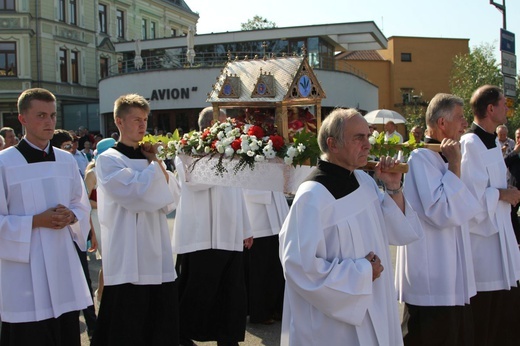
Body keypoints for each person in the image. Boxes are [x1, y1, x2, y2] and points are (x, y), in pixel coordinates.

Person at [279, 108, 423, 346]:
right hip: (336, 323)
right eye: (359, 138)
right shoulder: (313, 196)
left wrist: (394, 187)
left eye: (368, 136)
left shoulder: (363, 181)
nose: (368, 145)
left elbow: (392, 228)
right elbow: (298, 266)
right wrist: (363, 272)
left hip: (375, 301)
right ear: (332, 144)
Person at [0, 88, 91, 345]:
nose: (49, 122)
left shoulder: (66, 160)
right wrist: (35, 221)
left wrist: (72, 216)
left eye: (52, 115)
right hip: (24, 273)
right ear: (22, 119)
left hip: (62, 266)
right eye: (41, 115)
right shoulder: (4, 163)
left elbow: (80, 203)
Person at [92, 94, 181, 345]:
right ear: (119, 121)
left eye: (145, 120)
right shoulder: (108, 159)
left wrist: (154, 160)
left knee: (157, 325)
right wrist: (155, 165)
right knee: (126, 326)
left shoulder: (150, 158)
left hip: (155, 249)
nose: (143, 126)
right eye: (136, 120)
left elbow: (170, 195)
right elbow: (136, 194)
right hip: (127, 253)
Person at [396, 93, 481, 345]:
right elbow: (442, 212)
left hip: (451, 272)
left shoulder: (446, 155)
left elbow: (467, 206)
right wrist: (455, 166)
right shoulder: (420, 158)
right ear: (442, 123)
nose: (464, 124)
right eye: (460, 118)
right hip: (432, 275)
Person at [173, 106, 253, 346]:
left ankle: (228, 339)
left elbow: (238, 193)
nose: (230, 128)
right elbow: (195, 182)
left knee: (231, 296)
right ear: (210, 126)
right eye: (225, 123)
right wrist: (222, 156)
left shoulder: (231, 153)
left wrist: (246, 229)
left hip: (229, 235)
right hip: (201, 238)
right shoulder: (186, 149)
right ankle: (180, 336)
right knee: (197, 296)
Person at [460, 85, 520, 345]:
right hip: (483, 243)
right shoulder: (470, 142)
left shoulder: (492, 140)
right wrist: (503, 195)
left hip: (501, 236)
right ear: (490, 109)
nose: (507, 108)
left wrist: (505, 193)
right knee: (484, 315)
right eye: (503, 104)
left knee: (501, 313)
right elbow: (469, 197)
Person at [50, 128, 99, 341]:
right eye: (67, 146)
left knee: (83, 282)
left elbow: (81, 203)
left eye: (73, 146)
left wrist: (90, 231)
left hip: (74, 234)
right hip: (51, 239)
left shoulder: (69, 164)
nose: (73, 150)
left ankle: (93, 326)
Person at [242, 189, 289, 324]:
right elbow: (243, 188)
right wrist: (270, 187)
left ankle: (278, 309)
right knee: (260, 269)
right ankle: (260, 312)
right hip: (258, 219)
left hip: (278, 216)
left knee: (277, 267)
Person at [84, 137, 116, 306]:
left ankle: (106, 295)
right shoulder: (92, 173)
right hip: (98, 218)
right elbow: (83, 201)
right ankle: (102, 295)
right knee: (108, 259)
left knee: (114, 258)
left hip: (114, 217)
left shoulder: (117, 169)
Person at [505, 128, 520, 245]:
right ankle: (516, 239)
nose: (519, 139)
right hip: (515, 188)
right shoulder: (512, 150)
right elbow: (503, 163)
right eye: (517, 137)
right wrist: (515, 152)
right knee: (511, 214)